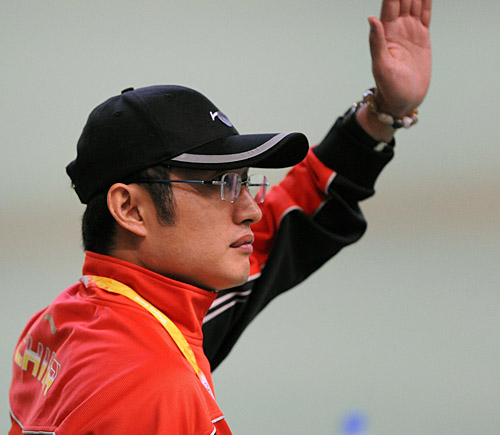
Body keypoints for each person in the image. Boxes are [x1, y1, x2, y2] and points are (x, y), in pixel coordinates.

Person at [9, 0, 432, 433]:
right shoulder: (155, 390)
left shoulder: (61, 325)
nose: (251, 209)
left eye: (245, 182)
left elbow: (287, 222)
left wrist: (382, 114)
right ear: (130, 209)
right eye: (219, 183)